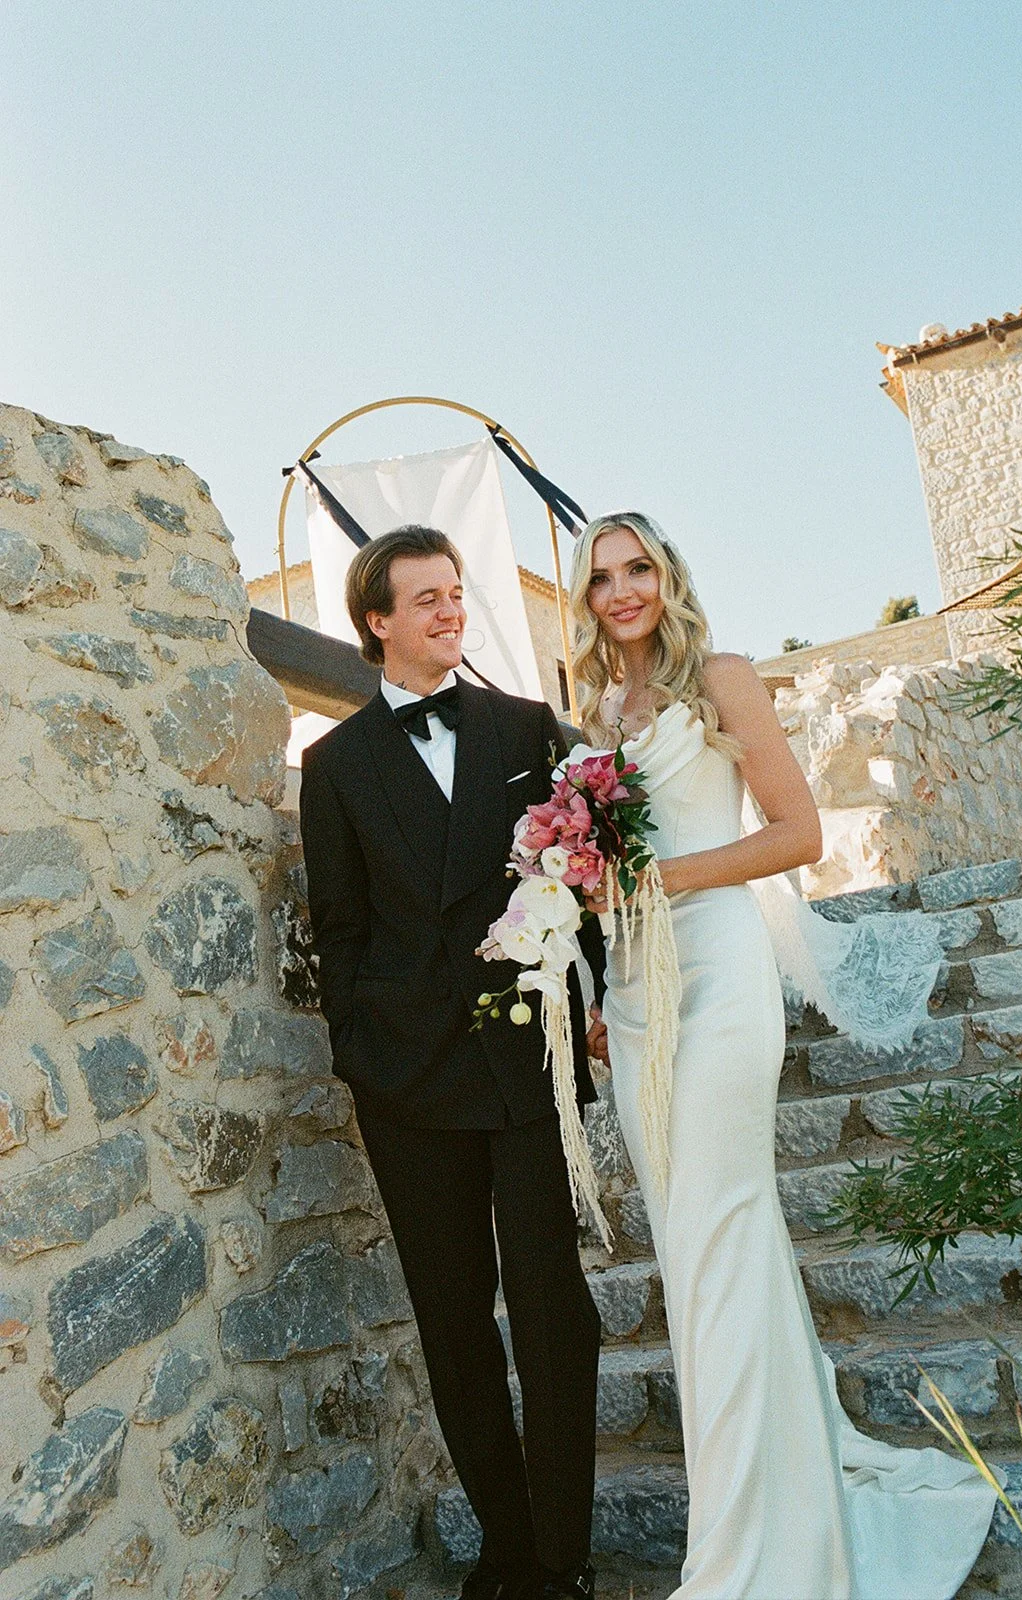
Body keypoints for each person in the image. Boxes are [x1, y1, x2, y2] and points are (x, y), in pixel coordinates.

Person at [569, 512, 998, 1600]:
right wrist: (597, 976)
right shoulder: (593, 714)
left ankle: (746, 1555)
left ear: (665, 578)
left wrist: (670, 882)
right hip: (635, 997)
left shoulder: (722, 679)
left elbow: (797, 833)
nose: (621, 590)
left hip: (717, 979)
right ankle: (780, 1499)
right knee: (699, 1249)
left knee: (717, 1236)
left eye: (637, 569)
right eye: (601, 576)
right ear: (584, 597)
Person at [298, 525, 607, 1600]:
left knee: (554, 1309)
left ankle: (560, 1556)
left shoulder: (526, 728)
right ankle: (506, 1547)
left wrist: (592, 1003)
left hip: (524, 1063)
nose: (448, 611)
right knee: (452, 1318)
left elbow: (581, 878)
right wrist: (360, 1048)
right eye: (423, 598)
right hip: (406, 1082)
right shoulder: (331, 767)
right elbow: (335, 927)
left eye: (454, 593)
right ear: (375, 622)